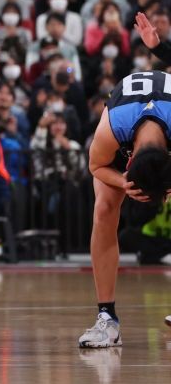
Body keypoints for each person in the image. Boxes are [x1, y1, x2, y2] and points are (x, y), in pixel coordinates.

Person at [78, 68, 171, 348]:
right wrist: (122, 182)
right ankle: (107, 317)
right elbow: (95, 166)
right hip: (122, 135)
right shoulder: (112, 130)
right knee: (105, 210)